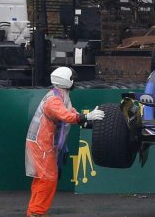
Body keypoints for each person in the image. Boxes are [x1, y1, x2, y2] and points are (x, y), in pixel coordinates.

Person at [26, 67, 105, 217]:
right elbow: (66, 116)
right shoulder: (54, 100)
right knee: (47, 180)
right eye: (73, 79)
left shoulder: (61, 96)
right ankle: (37, 212)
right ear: (66, 81)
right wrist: (86, 117)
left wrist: (88, 122)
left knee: (43, 179)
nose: (75, 82)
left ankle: (34, 211)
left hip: (45, 143)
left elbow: (72, 113)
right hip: (41, 144)